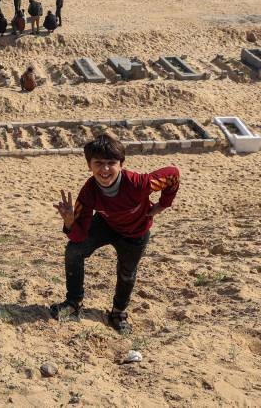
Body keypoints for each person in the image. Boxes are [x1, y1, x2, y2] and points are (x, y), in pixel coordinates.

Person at [51, 134, 180, 334]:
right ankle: (73, 302)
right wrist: (69, 222)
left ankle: (118, 313)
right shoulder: (88, 193)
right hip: (106, 224)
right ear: (89, 165)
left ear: (121, 164)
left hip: (135, 232)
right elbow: (78, 236)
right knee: (74, 251)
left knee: (127, 274)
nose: (105, 169)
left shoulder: (139, 184)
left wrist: (162, 205)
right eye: (98, 163)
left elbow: (172, 174)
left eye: (111, 163)